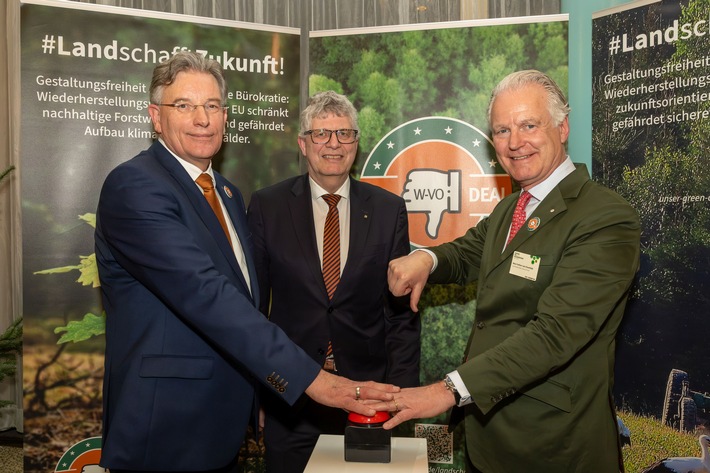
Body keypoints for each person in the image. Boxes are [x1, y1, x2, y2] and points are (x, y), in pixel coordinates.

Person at [94, 52, 398, 473]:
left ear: (225, 116)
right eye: (184, 105)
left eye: (212, 105)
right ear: (156, 117)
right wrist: (311, 379)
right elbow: (206, 294)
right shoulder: (135, 186)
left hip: (221, 427)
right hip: (166, 426)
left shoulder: (229, 195)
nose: (202, 119)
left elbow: (250, 303)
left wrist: (261, 391)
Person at [376, 70, 641, 472]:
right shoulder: (511, 207)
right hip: (489, 438)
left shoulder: (605, 217)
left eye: (528, 125)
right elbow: (468, 252)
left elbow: (555, 334)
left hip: (553, 447)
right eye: (502, 130)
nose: (515, 143)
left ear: (562, 127)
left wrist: (447, 390)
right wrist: (427, 259)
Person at [247, 91, 421, 473]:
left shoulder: (388, 210)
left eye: (344, 134)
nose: (333, 144)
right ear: (303, 144)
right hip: (291, 396)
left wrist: (400, 396)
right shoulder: (267, 206)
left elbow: (401, 315)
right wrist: (257, 392)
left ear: (356, 144)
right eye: (321, 134)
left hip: (368, 400)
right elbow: (253, 311)